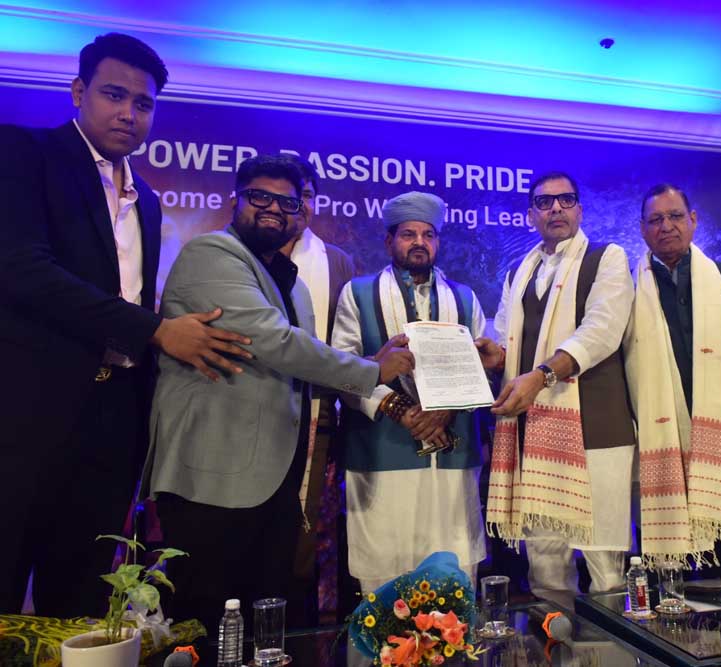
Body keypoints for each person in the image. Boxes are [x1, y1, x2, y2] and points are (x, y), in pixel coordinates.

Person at [0, 33, 251, 617]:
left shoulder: (148, 201)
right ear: (78, 92)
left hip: (117, 417)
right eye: (113, 95)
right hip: (29, 412)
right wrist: (156, 330)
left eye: (143, 104)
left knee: (83, 595)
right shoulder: (25, 153)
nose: (128, 114)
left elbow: (128, 293)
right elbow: (22, 269)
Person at [144, 154, 414, 631]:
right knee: (204, 621)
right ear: (235, 200)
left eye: (287, 202)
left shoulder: (290, 283)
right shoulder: (212, 253)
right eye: (259, 197)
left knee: (265, 622)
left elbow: (301, 366)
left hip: (274, 478)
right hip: (212, 475)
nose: (273, 209)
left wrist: (369, 368)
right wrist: (372, 371)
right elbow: (275, 343)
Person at [477, 172, 635, 604]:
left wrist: (542, 375)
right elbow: (508, 338)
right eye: (544, 202)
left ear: (580, 209)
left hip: (597, 429)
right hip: (535, 434)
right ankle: (556, 638)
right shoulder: (518, 271)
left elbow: (601, 331)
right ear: (531, 215)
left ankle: (611, 643)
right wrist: (496, 358)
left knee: (606, 567)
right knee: (545, 564)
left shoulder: (607, 258)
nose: (557, 208)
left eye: (566, 199)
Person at [624, 184, 721, 578]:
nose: (666, 226)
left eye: (675, 216)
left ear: (693, 220)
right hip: (657, 443)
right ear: (642, 229)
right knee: (667, 577)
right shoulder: (626, 288)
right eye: (655, 219)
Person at [330, 191, 488, 592]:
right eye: (408, 234)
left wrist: (445, 409)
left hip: (451, 457)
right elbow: (341, 369)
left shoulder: (465, 298)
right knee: (384, 575)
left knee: (455, 570)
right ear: (389, 241)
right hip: (382, 453)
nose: (419, 242)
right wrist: (399, 408)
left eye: (428, 235)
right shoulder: (358, 293)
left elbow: (480, 370)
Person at [279, 157, 356, 623]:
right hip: (255, 415)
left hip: (318, 416)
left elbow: (347, 346)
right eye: (291, 195)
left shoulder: (337, 262)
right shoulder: (243, 254)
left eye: (306, 195)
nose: (299, 204)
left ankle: (306, 631)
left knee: (308, 534)